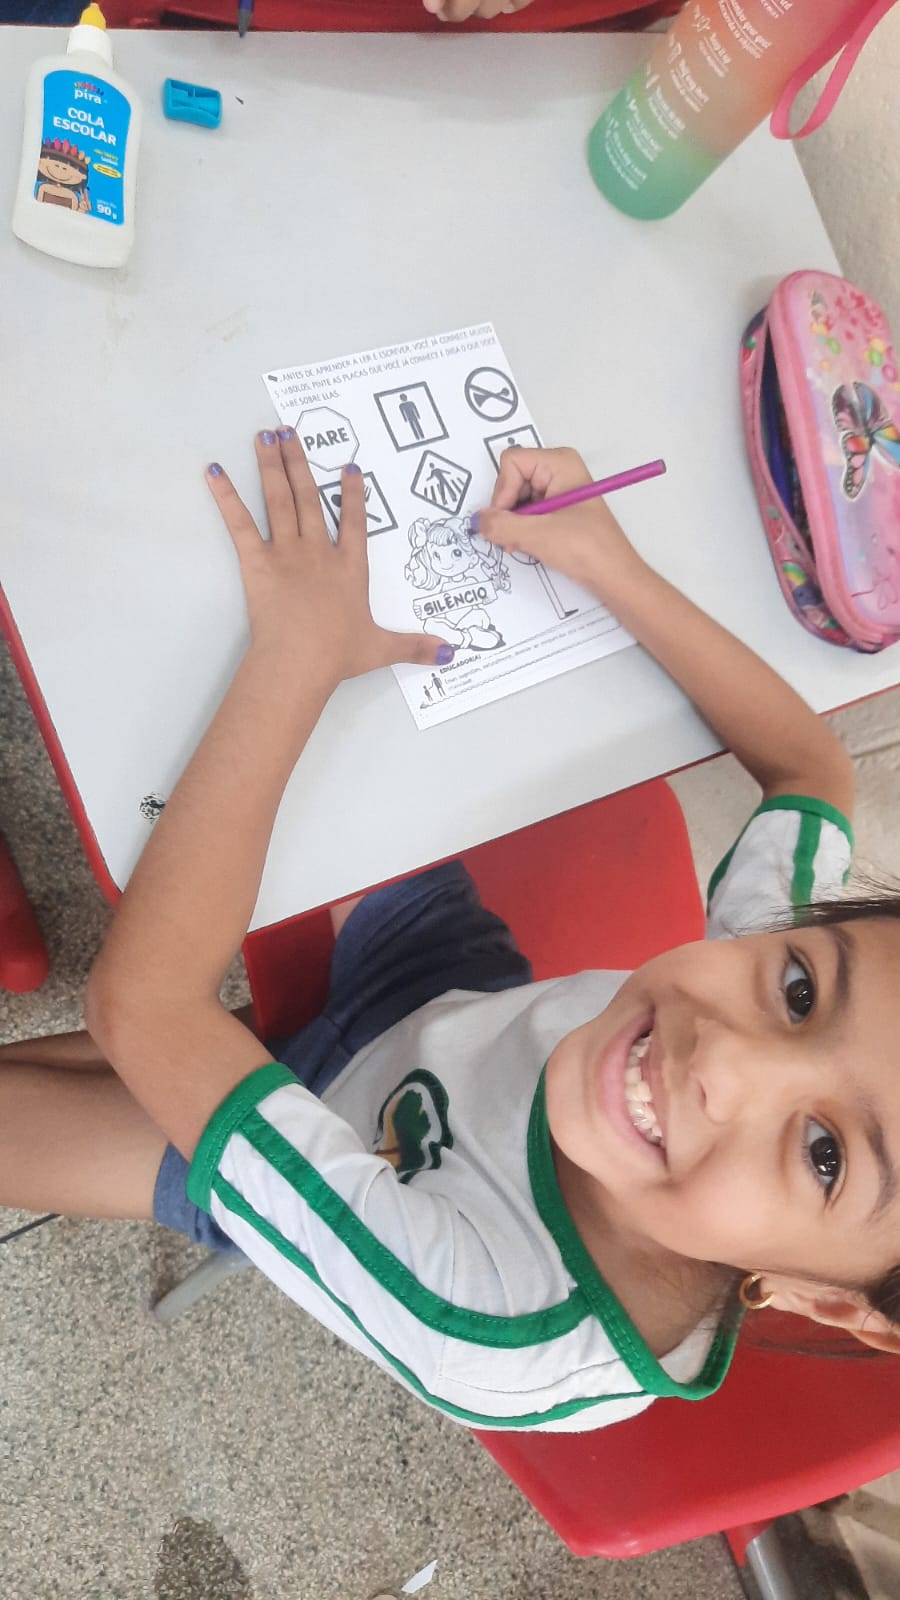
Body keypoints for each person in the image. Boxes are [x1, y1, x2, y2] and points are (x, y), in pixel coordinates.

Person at [3, 434, 900, 1436]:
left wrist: (298, 654)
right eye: (799, 993)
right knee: (294, 643)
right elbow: (811, 771)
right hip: (438, 984)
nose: (726, 1058)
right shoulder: (773, 1019)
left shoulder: (495, 1326)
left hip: (336, 1157)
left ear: (831, 1301)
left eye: (826, 1155)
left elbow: (143, 1008)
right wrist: (607, 558)